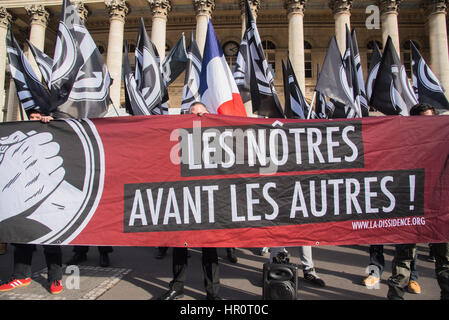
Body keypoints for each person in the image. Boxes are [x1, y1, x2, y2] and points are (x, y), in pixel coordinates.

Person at [158, 102, 221, 300]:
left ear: (208, 115)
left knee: (210, 250)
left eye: (200, 114)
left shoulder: (218, 137)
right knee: (180, 245)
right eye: (192, 114)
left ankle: (213, 293)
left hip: (208, 200)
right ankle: (177, 287)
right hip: (184, 199)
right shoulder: (178, 136)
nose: (196, 117)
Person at [387, 103, 449, 300]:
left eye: (432, 120)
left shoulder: (445, 144)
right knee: (403, 258)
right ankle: (396, 295)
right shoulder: (403, 145)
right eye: (423, 121)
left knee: (444, 260)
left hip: (440, 209)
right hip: (410, 207)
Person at [0, 109, 63, 295]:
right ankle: (21, 276)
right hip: (21, 197)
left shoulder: (54, 130)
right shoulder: (17, 134)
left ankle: (55, 278)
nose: (34, 120)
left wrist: (54, 122)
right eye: (32, 117)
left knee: (51, 242)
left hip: (49, 198)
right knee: (21, 239)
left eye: (38, 117)